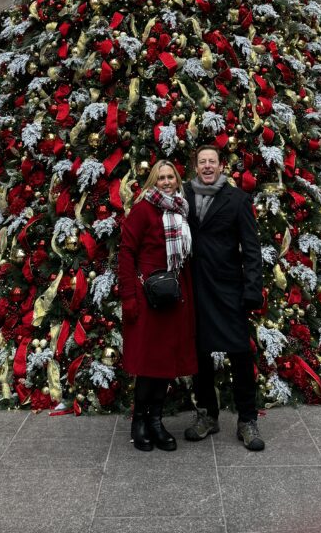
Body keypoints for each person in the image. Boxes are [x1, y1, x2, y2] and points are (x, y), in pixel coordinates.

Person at [183, 144, 266, 451]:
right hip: (195, 288)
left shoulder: (237, 199)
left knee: (240, 355)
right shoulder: (183, 197)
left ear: (220, 166)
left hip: (229, 289)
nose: (207, 166)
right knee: (200, 355)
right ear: (196, 166)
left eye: (212, 161)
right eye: (202, 161)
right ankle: (207, 415)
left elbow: (252, 249)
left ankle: (247, 419)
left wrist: (252, 289)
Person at [118, 159, 196, 452]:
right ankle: (139, 421)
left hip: (174, 295)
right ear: (153, 181)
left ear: (177, 180)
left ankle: (156, 421)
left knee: (165, 362)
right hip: (147, 296)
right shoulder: (143, 210)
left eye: (171, 177)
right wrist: (128, 296)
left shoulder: (181, 209)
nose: (166, 182)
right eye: (161, 177)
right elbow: (126, 253)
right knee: (148, 363)